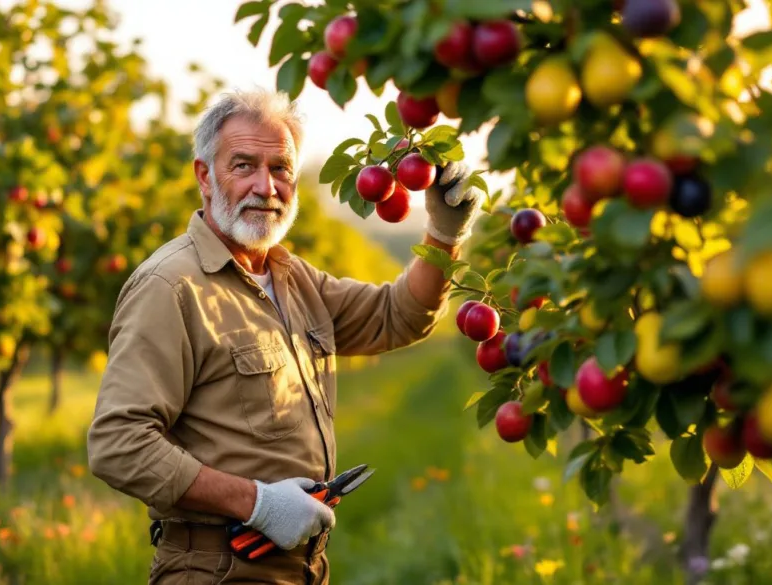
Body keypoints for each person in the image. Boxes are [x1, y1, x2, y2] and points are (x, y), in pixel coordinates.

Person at [86, 88, 485, 585]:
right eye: (244, 165)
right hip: (216, 568)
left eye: (280, 169)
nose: (266, 186)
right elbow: (118, 443)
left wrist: (444, 235)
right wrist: (256, 502)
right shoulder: (171, 287)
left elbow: (397, 315)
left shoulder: (292, 279)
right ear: (205, 177)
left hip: (300, 568)